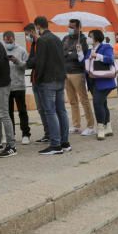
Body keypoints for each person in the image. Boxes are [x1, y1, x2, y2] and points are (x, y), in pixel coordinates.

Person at [32, 16, 70, 155]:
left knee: (50, 112)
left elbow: (40, 62)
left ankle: (55, 144)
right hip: (60, 78)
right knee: (61, 111)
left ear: (37, 26)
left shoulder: (42, 40)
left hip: (48, 80)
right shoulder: (56, 38)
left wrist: (38, 79)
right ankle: (65, 142)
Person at [62, 19, 96, 137]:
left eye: (72, 27)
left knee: (84, 100)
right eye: (69, 26)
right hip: (66, 72)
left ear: (78, 28)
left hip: (77, 72)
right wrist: (70, 53)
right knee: (72, 101)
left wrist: (71, 54)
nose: (70, 28)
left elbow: (80, 56)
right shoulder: (65, 39)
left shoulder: (83, 40)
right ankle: (76, 125)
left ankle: (90, 125)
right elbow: (62, 53)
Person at [86, 29, 118, 138]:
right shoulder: (89, 50)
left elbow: (110, 59)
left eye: (90, 36)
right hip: (92, 81)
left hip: (104, 81)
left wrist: (98, 56)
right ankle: (108, 127)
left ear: (96, 37)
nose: (88, 38)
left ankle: (100, 128)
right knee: (103, 103)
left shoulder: (106, 47)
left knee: (97, 103)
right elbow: (85, 64)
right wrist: (80, 54)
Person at [24, 23, 50, 144]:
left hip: (42, 80)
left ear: (32, 32)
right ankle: (47, 133)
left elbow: (36, 61)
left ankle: (51, 133)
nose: (26, 37)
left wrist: (30, 62)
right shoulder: (34, 44)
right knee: (41, 109)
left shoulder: (41, 43)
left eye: (27, 34)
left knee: (47, 108)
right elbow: (31, 61)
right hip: (34, 80)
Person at [4, 31, 31, 145]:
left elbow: (27, 65)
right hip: (6, 86)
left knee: (22, 111)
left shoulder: (21, 50)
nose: (8, 42)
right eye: (6, 40)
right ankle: (11, 135)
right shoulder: (1, 51)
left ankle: (26, 134)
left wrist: (17, 61)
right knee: (8, 112)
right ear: (4, 40)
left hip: (19, 85)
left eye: (10, 40)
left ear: (14, 39)